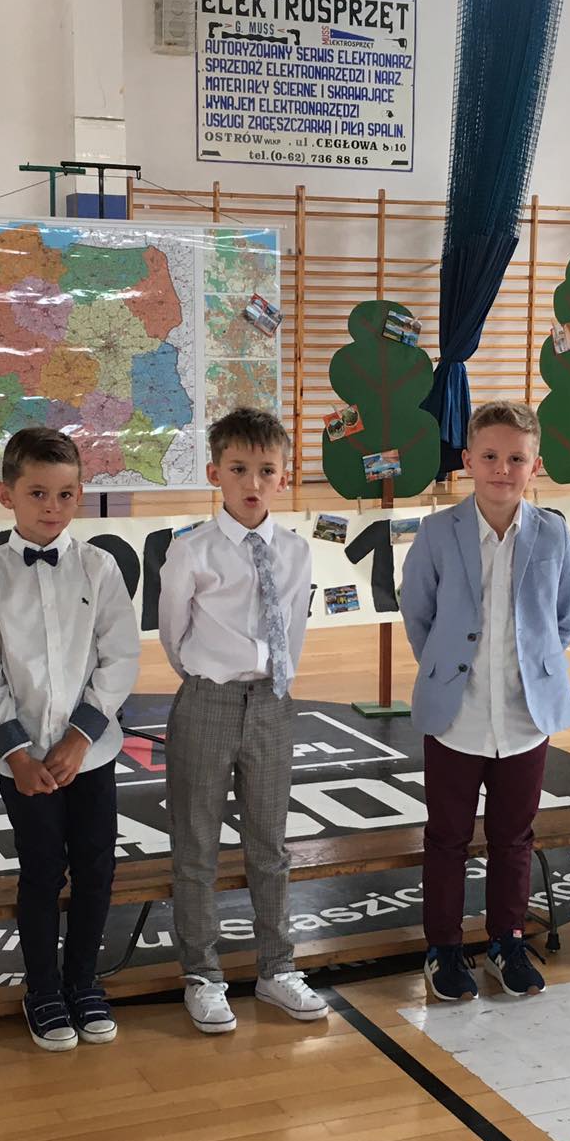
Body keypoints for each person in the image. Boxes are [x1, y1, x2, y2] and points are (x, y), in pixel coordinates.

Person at [0, 427, 140, 1051]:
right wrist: (17, 752)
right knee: (40, 870)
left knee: (96, 867)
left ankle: (83, 981)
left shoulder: (100, 566)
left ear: (79, 496)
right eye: (37, 493)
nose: (52, 507)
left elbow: (119, 658)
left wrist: (81, 739)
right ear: (5, 494)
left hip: (90, 755)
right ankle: (41, 988)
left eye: (66, 494)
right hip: (25, 761)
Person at [400, 400, 570, 1000]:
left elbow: (566, 616)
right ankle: (443, 948)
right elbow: (418, 612)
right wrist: (446, 670)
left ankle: (507, 939)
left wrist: (534, 667)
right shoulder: (437, 532)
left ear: (535, 465)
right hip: (456, 716)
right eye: (490, 456)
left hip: (525, 717)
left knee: (514, 837)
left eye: (516, 459)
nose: (502, 469)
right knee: (446, 837)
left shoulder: (553, 532)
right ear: (467, 460)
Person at [158, 407, 327, 1033]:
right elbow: (174, 633)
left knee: (270, 845)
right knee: (196, 847)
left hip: (273, 704)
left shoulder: (296, 551)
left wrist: (275, 685)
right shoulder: (191, 551)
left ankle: (277, 968)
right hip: (208, 701)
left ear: (284, 476)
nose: (252, 483)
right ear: (215, 474)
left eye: (266, 470)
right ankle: (202, 975)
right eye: (237, 469)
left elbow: (295, 628)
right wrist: (210, 679)